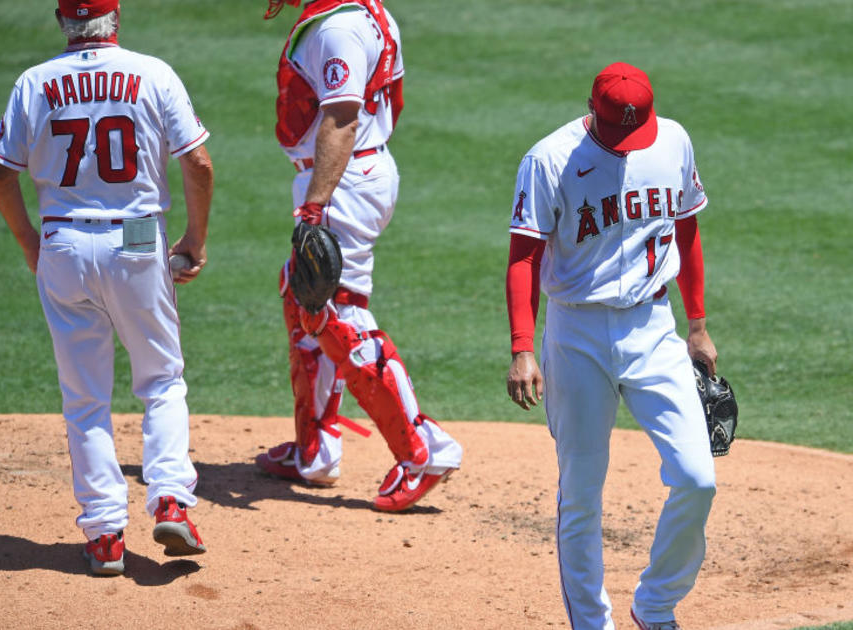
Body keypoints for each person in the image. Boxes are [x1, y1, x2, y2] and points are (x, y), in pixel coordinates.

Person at [0, 0, 213, 576]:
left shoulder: (34, 81)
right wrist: (194, 240)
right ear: (116, 21)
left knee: (85, 398)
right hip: (138, 237)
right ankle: (169, 501)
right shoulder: (153, 72)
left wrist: (30, 245)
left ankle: (106, 534)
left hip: (62, 243)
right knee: (161, 380)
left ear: (62, 22)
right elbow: (200, 164)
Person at [504, 62, 718, 630]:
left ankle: (654, 607)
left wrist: (697, 325)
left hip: (654, 328)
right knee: (581, 491)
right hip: (576, 335)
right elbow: (523, 255)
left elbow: (688, 231)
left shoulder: (672, 141)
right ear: (591, 110)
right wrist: (522, 345)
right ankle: (591, 625)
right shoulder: (549, 160)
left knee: (698, 477)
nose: (629, 145)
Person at [256, 0, 462, 512]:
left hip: (340, 180)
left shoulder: (341, 27)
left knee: (336, 312)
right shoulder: (369, 12)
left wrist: (315, 205)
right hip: (355, 171)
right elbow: (392, 98)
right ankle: (316, 449)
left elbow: (344, 119)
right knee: (298, 293)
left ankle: (421, 450)